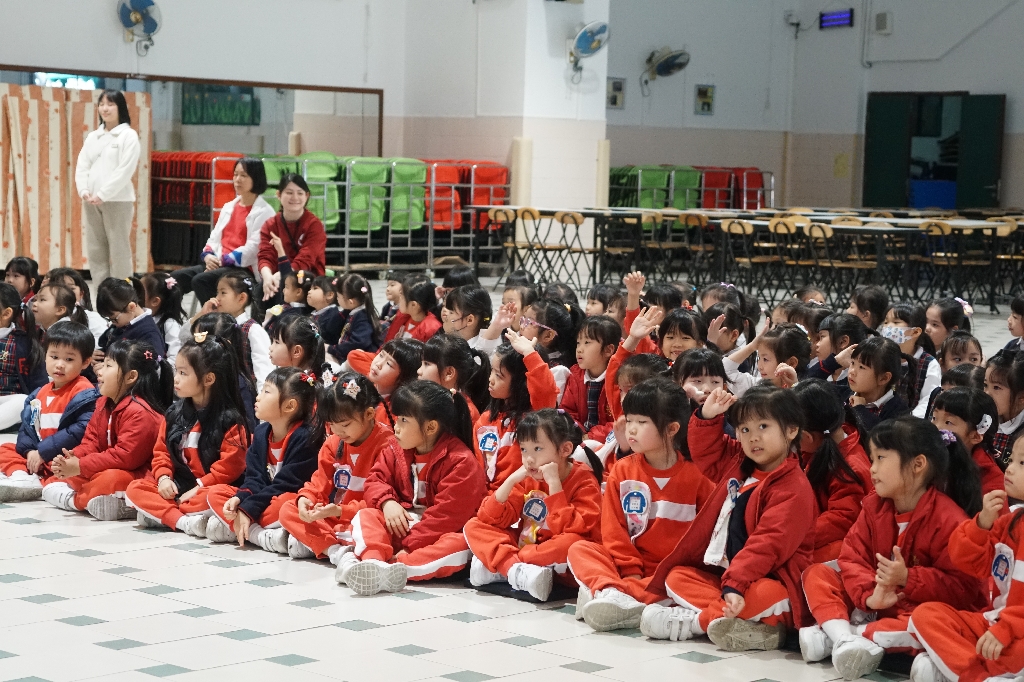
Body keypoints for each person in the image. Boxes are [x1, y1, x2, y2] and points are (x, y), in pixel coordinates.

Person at [799, 418, 984, 680]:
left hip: (916, 610)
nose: (872, 469)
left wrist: (908, 578)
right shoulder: (874, 506)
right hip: (875, 604)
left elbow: (963, 588)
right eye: (872, 459)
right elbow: (852, 558)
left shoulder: (949, 520)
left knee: (923, 623)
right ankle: (845, 640)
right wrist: (870, 596)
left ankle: (840, 636)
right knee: (817, 574)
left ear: (918, 464)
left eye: (880, 458)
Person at [638, 386, 815, 651]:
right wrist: (707, 417)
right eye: (745, 429)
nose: (753, 437)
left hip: (773, 581)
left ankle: (696, 622)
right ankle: (746, 624)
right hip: (732, 577)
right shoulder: (739, 462)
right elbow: (707, 452)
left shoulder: (793, 488)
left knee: (767, 593)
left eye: (763, 426)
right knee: (676, 576)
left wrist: (735, 586)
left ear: (791, 430)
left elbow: (767, 545)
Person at [569, 378, 714, 632]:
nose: (631, 430)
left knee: (678, 581)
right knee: (580, 549)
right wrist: (631, 572)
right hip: (629, 570)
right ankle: (620, 594)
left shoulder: (699, 476)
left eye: (642, 422)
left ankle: (614, 595)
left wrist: (654, 578)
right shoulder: (622, 470)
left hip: (675, 573)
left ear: (671, 429)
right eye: (629, 420)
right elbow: (613, 531)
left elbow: (705, 539)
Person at [336, 380, 486, 595]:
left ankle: (391, 566)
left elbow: (446, 518)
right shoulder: (395, 448)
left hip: (436, 535)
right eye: (397, 418)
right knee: (366, 515)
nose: (396, 426)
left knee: (460, 545)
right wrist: (387, 503)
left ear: (431, 427)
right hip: (404, 525)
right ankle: (374, 562)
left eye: (404, 420)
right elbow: (375, 480)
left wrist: (408, 545)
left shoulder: (461, 461)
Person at [908, 442, 1024, 682]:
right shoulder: (1011, 519)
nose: (1010, 469)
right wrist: (981, 524)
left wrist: (1007, 628)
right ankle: (983, 675)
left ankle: (961, 669)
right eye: (1011, 460)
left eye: (1022, 463)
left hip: (1016, 630)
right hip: (996, 622)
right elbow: (970, 563)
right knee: (927, 615)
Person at [465, 409, 603, 601]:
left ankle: (506, 567)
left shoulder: (584, 480)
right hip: (529, 547)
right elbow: (490, 517)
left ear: (565, 450)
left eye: (537, 449)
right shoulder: (527, 475)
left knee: (571, 543)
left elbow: (573, 529)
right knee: (474, 526)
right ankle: (516, 570)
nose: (529, 458)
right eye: (523, 449)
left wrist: (554, 485)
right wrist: (510, 481)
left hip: (559, 559)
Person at [125, 333, 251, 536]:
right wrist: (164, 478)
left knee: (215, 496)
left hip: (210, 488)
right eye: (177, 371)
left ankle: (166, 516)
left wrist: (200, 487)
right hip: (181, 487)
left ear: (209, 379)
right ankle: (185, 521)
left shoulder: (230, 419)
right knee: (136, 488)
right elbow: (161, 452)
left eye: (183, 373)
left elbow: (229, 468)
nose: (176, 378)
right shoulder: (174, 413)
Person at [42, 339, 171, 519]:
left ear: (130, 377)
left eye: (108, 366)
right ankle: (99, 500)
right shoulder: (103, 403)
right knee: (62, 476)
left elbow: (124, 458)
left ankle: (74, 501)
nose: (99, 371)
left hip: (137, 476)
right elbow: (91, 442)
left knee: (111, 479)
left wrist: (80, 466)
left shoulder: (141, 412)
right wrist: (72, 459)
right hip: (107, 466)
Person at [279, 372, 400, 561]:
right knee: (288, 509)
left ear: (369, 414)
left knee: (372, 522)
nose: (337, 431)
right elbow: (319, 483)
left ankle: (324, 544)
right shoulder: (333, 443)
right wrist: (306, 500)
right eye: (331, 424)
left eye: (344, 424)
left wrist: (340, 511)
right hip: (338, 518)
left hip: (367, 518)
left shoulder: (387, 444)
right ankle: (336, 551)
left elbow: (381, 500)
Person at [204, 367, 321, 552]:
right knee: (216, 493)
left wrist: (248, 509)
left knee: (285, 503)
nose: (258, 397)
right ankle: (260, 534)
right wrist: (240, 499)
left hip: (284, 499)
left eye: (267, 391)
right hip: (263, 501)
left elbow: (286, 486)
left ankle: (244, 530)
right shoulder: (260, 433)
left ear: (289, 406)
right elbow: (254, 479)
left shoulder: (306, 438)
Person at [0, 323, 99, 502]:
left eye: (69, 359)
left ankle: (47, 484)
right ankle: (22, 477)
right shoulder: (39, 393)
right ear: (45, 355)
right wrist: (29, 451)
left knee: (75, 465)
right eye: (54, 356)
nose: (59, 365)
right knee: (6, 448)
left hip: (62, 455)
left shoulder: (84, 392)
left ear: (85, 362)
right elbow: (27, 427)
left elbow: (79, 430)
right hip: (39, 455)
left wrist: (43, 452)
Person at [169, 158, 274, 304]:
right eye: (235, 174)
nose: (237, 179)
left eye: (243, 175)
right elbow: (214, 238)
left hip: (244, 269)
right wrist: (208, 256)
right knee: (175, 278)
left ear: (256, 178)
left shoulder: (265, 212)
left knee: (201, 280)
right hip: (220, 263)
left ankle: (217, 316)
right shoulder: (229, 207)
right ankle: (172, 316)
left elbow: (254, 248)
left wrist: (223, 261)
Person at [475, 333, 558, 491]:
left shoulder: (536, 418)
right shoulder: (485, 421)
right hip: (490, 499)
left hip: (524, 496)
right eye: (492, 371)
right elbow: (478, 470)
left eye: (499, 375)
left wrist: (529, 353)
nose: (490, 379)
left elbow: (546, 390)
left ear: (522, 382)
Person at [74, 90, 141, 282]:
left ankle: (122, 292)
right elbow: (82, 165)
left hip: (118, 200)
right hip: (91, 201)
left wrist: (103, 193)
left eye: (111, 104)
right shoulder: (93, 137)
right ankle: (101, 292)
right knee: (96, 250)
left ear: (120, 108)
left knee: (119, 249)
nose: (105, 108)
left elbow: (125, 170)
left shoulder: (128, 136)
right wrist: (83, 190)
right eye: (102, 104)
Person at [186, 268, 272, 391]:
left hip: (243, 395)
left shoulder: (253, 330)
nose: (217, 298)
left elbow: (263, 370)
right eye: (217, 293)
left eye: (223, 293)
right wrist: (201, 314)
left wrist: (262, 398)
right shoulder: (214, 324)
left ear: (241, 298)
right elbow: (184, 338)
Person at [257, 174, 327, 303]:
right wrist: (267, 277)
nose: (295, 197)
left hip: (307, 279)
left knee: (285, 289)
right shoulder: (270, 225)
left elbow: (306, 259)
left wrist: (282, 276)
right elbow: (265, 256)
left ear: (306, 196)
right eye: (289, 192)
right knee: (262, 289)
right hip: (278, 279)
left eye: (300, 193)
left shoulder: (314, 225)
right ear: (279, 195)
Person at [931, 388, 1004, 495]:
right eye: (934, 418)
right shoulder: (925, 458)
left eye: (948, 422)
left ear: (975, 436)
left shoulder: (991, 480)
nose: (936, 427)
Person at [560, 316, 619, 435]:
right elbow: (567, 413)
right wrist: (580, 434)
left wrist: (592, 437)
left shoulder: (619, 378)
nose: (579, 350)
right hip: (581, 438)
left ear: (608, 350)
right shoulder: (575, 375)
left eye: (587, 342)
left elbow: (620, 421)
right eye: (578, 343)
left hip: (612, 441)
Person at [0, 283, 47, 428]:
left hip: (8, 404)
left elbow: (40, 387)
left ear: (6, 314)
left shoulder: (25, 343)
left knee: (23, 401)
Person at [882, 304, 939, 419]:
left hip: (911, 423)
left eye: (896, 322)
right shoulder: (879, 356)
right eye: (886, 322)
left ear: (915, 332)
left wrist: (905, 422)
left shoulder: (929, 364)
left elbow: (928, 401)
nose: (888, 327)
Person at [416, 334, 489, 422]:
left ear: (449, 373)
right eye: (422, 363)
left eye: (427, 364)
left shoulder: (464, 412)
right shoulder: (422, 399)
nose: (419, 371)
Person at [95, 277, 166, 361]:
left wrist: (111, 366)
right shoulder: (123, 323)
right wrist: (95, 356)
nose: (112, 323)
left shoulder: (149, 334)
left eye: (114, 319)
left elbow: (152, 365)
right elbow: (105, 345)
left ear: (131, 307)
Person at [848, 337, 911, 430]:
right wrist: (835, 362)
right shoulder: (845, 394)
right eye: (852, 363)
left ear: (884, 378)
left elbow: (879, 436)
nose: (852, 371)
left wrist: (860, 409)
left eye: (861, 367)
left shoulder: (898, 411)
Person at [327, 274, 381, 363]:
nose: (337, 299)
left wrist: (332, 349)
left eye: (338, 296)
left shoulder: (363, 317)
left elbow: (358, 343)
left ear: (351, 302)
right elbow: (331, 328)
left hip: (357, 361)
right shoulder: (352, 312)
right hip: (344, 355)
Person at [984, 350, 1024, 467]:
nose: (987, 393)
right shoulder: (982, 419)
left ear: (1021, 397)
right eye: (985, 385)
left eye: (996, 387)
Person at [141, 272, 185, 367]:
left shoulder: (170, 324)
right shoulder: (138, 317)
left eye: (139, 291)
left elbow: (175, 358)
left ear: (155, 301)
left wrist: (160, 372)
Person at [308, 276, 344, 346]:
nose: (309, 292)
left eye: (315, 288)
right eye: (310, 289)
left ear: (329, 295)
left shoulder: (334, 317)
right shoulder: (313, 314)